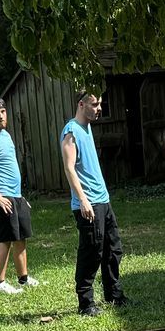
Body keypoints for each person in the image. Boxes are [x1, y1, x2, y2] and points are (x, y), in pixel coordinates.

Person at [61, 89, 127, 317]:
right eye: (95, 104)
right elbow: (69, 168)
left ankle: (114, 295)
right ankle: (86, 303)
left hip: (103, 200)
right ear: (81, 104)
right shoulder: (71, 131)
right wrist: (82, 200)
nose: (99, 108)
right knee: (91, 252)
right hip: (88, 203)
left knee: (113, 248)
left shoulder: (87, 128)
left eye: (100, 104)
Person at [0, 95, 39, 295]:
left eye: (3, 112)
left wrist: (20, 197)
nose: (1, 116)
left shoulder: (7, 135)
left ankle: (23, 279)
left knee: (20, 237)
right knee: (6, 239)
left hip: (15, 196)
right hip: (1, 197)